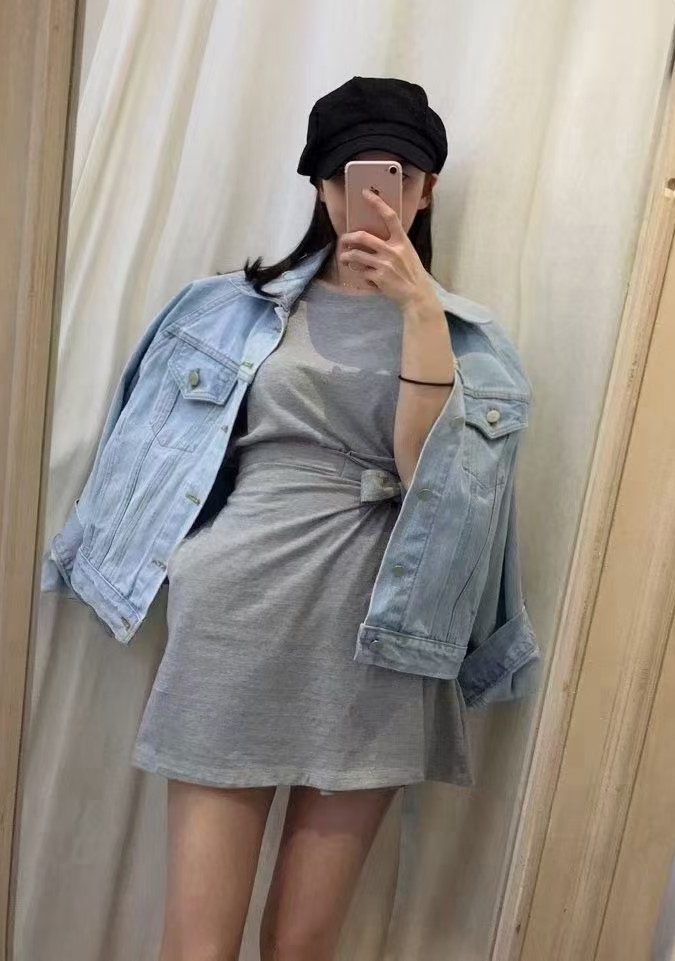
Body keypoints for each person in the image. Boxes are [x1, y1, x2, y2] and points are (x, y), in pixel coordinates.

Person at [130, 76, 483, 961]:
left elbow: (426, 478)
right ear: (320, 187)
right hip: (237, 613)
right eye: (347, 177)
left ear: (425, 190)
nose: (373, 198)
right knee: (199, 944)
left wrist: (419, 309)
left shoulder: (463, 337)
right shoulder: (231, 310)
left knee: (302, 943)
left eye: (398, 177)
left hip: (375, 634)